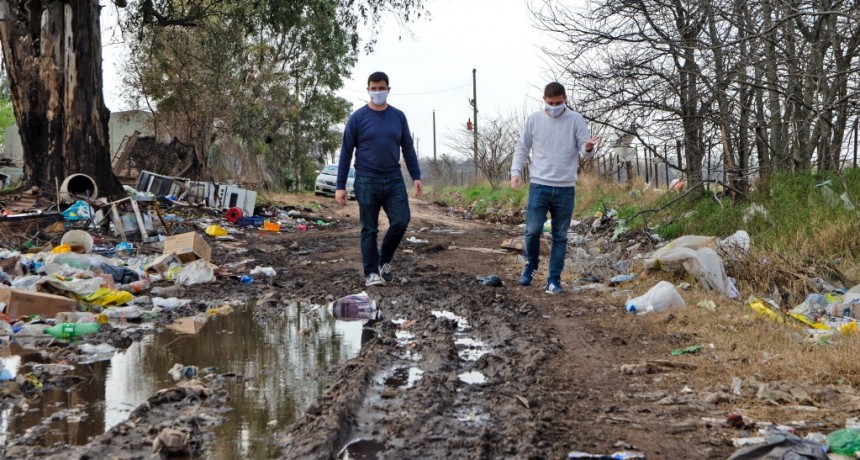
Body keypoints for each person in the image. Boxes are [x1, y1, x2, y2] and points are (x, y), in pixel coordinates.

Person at [336, 71, 423, 287]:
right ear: (368, 90)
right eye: (373, 89)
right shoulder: (357, 118)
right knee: (369, 228)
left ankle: (384, 260)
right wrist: (340, 185)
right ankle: (371, 273)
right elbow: (346, 151)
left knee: (401, 221)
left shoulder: (398, 116)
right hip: (366, 180)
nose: (377, 92)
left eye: (381, 88)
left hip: (394, 179)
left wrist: (416, 176)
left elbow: (408, 148)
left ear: (388, 89)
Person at [510, 82, 597, 294]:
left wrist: (588, 148)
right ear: (544, 100)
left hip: (565, 188)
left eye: (559, 103)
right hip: (539, 185)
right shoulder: (534, 120)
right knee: (532, 231)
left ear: (565, 99)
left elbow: (586, 149)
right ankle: (531, 265)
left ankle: (554, 280)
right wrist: (515, 172)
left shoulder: (576, 119)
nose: (555, 106)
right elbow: (523, 146)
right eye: (551, 103)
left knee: (560, 236)